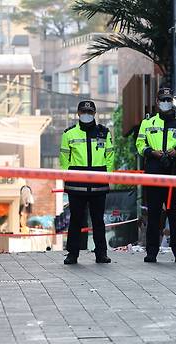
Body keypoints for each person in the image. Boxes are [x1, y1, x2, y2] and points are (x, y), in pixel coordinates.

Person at [135, 87, 176, 263]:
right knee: (153, 214)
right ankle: (151, 252)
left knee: (173, 213)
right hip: (154, 171)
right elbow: (139, 144)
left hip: (175, 171)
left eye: (168, 100)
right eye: (163, 100)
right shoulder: (148, 123)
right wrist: (152, 152)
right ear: (157, 102)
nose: (166, 103)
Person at [60, 100, 115, 265]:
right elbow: (64, 159)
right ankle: (72, 254)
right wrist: (68, 176)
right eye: (84, 112)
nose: (86, 115)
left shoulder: (104, 133)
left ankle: (101, 254)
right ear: (78, 113)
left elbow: (110, 156)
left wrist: (107, 176)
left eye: (89, 112)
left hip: (99, 183)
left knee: (98, 220)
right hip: (76, 185)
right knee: (76, 220)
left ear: (94, 113)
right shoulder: (69, 134)